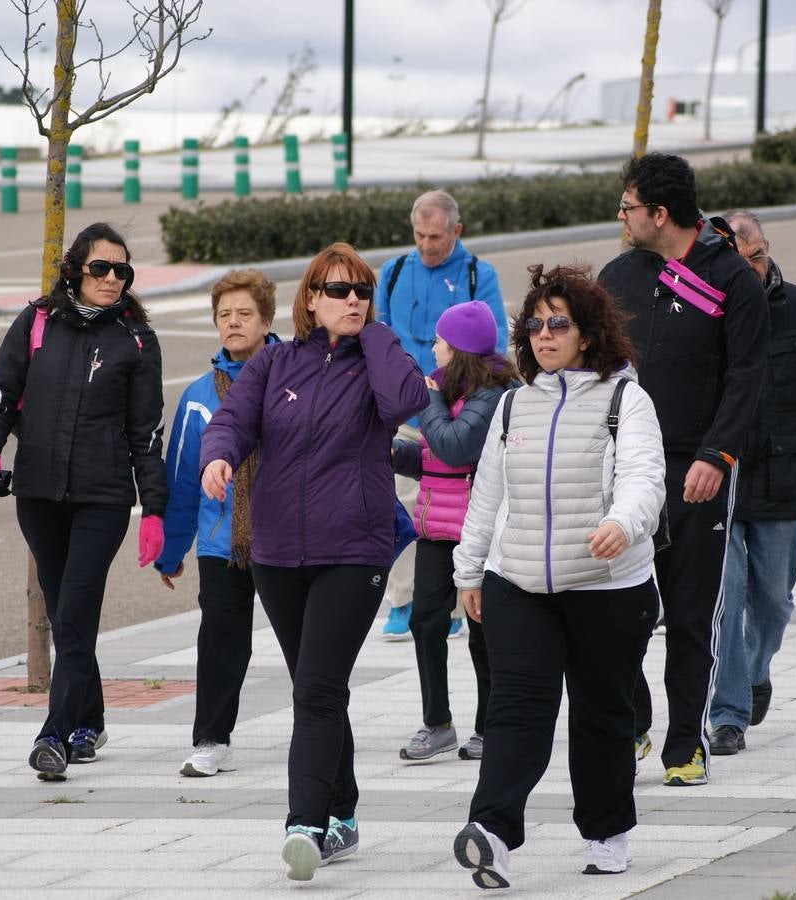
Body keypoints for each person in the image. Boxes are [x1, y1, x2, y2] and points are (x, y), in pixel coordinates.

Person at [197, 242, 428, 882]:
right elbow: (232, 421)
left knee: (316, 691)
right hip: (275, 554)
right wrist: (218, 456)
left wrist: (373, 332)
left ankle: (306, 823)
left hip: (353, 551)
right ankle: (345, 812)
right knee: (316, 686)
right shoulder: (275, 363)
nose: (351, 298)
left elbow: (405, 403)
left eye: (361, 290)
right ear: (311, 299)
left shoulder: (380, 358)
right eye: (337, 289)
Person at [451, 264, 666, 888]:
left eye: (558, 324)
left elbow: (644, 478)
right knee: (516, 708)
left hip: (608, 587)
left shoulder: (628, 399)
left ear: (588, 333)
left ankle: (606, 833)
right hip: (517, 584)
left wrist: (624, 524)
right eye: (535, 325)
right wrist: (470, 571)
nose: (544, 335)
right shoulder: (516, 403)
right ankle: (490, 832)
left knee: (601, 714)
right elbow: (487, 494)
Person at [0, 222, 166, 781]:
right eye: (101, 268)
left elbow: (147, 432)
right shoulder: (36, 322)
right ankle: (92, 717)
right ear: (75, 269)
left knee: (76, 614)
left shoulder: (135, 339)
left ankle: (53, 735)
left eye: (122, 271)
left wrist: (153, 508)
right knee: (65, 618)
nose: (112, 279)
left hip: (102, 501)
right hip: (37, 496)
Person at [598, 152, 769, 787]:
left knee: (691, 614)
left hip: (698, 469)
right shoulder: (618, 276)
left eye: (629, 207)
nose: (622, 216)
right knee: (619, 612)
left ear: (660, 214)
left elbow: (748, 377)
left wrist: (717, 455)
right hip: (625, 473)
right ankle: (637, 721)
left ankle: (683, 746)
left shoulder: (731, 280)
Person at [706, 211, 796, 756]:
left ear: (768, 249)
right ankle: (728, 713)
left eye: (757, 256)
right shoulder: (704, 311)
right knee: (727, 594)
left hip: (783, 477)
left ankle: (755, 671)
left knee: (774, 600)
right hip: (718, 479)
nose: (752, 269)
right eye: (740, 262)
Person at [152, 269, 278, 777]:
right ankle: (211, 739)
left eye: (244, 314)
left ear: (267, 320)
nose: (233, 323)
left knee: (305, 644)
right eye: (224, 315)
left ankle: (326, 727)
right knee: (221, 638)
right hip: (220, 542)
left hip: (285, 537)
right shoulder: (199, 396)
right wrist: (171, 548)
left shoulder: (293, 380)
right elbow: (182, 479)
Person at [375, 190, 506, 640]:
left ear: (457, 231)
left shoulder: (477, 275)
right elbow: (379, 340)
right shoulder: (392, 273)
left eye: (435, 236)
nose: (427, 245)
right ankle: (402, 600)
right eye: (419, 235)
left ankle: (453, 602)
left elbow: (495, 348)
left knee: (458, 509)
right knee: (407, 505)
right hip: (408, 412)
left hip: (458, 413)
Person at [391, 301, 517, 764]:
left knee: (483, 632)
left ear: (460, 349)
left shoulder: (492, 395)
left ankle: (489, 726)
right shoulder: (450, 391)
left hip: (478, 533)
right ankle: (437, 721)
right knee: (425, 621)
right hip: (437, 528)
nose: (434, 349)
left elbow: (456, 443)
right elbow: (434, 455)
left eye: (440, 342)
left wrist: (427, 399)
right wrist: (390, 453)